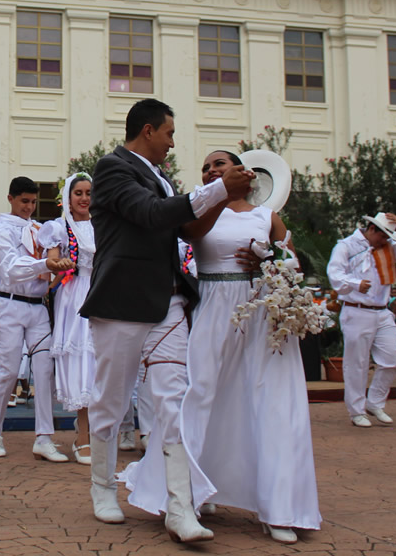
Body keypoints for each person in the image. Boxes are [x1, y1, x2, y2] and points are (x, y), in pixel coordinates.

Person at [124, 149, 321, 545]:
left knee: (272, 402)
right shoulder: (199, 212)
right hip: (213, 306)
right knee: (199, 394)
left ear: (242, 170)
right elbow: (189, 238)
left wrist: (270, 258)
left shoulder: (267, 215)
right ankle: (189, 492)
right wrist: (214, 197)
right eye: (206, 167)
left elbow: (294, 262)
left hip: (262, 310)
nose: (211, 169)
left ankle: (279, 507)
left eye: (220, 164)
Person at [79, 99, 252, 539]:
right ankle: (102, 488)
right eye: (170, 134)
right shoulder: (112, 167)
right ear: (150, 130)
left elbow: (188, 229)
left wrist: (224, 197)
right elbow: (152, 215)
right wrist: (216, 190)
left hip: (170, 301)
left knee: (173, 402)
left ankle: (180, 508)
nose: (173, 144)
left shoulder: (160, 177)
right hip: (122, 302)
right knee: (111, 402)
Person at [0, 176, 75, 463]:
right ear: (10, 198)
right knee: (9, 371)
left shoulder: (41, 229)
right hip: (10, 305)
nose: (29, 207)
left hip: (37, 306)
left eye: (34, 202)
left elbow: (56, 259)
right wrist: (44, 264)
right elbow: (10, 268)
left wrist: (58, 268)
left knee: (44, 370)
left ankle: (44, 437)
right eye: (24, 201)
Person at [327, 211, 396, 428]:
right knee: (357, 363)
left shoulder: (387, 248)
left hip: (381, 311)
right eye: (383, 236)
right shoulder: (346, 246)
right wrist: (354, 283)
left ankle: (375, 401)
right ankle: (356, 410)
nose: (385, 241)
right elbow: (335, 272)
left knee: (393, 358)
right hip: (356, 310)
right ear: (372, 230)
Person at [37, 173, 96, 465]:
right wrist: (58, 263)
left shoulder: (103, 224)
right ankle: (83, 436)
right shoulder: (57, 227)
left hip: (102, 294)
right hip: (75, 296)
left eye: (88, 193)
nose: (84, 199)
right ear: (68, 198)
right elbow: (52, 259)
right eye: (79, 193)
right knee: (82, 360)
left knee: (100, 363)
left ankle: (96, 431)